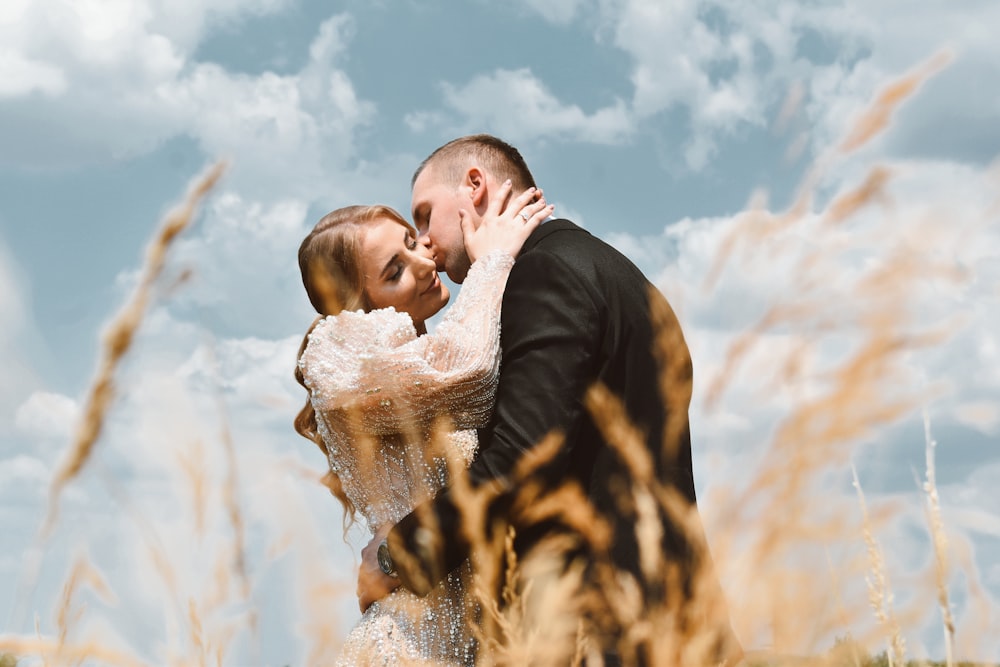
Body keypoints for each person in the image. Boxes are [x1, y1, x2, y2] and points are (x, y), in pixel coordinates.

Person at [357, 135, 742, 664]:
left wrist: (395, 556)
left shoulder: (545, 274)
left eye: (424, 216)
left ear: (475, 185)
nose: (424, 241)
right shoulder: (620, 275)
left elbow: (520, 460)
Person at [294, 187, 554, 665]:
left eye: (413, 243)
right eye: (394, 271)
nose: (424, 263)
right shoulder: (341, 352)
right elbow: (473, 370)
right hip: (409, 645)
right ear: (358, 304)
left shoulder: (420, 364)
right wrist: (492, 261)